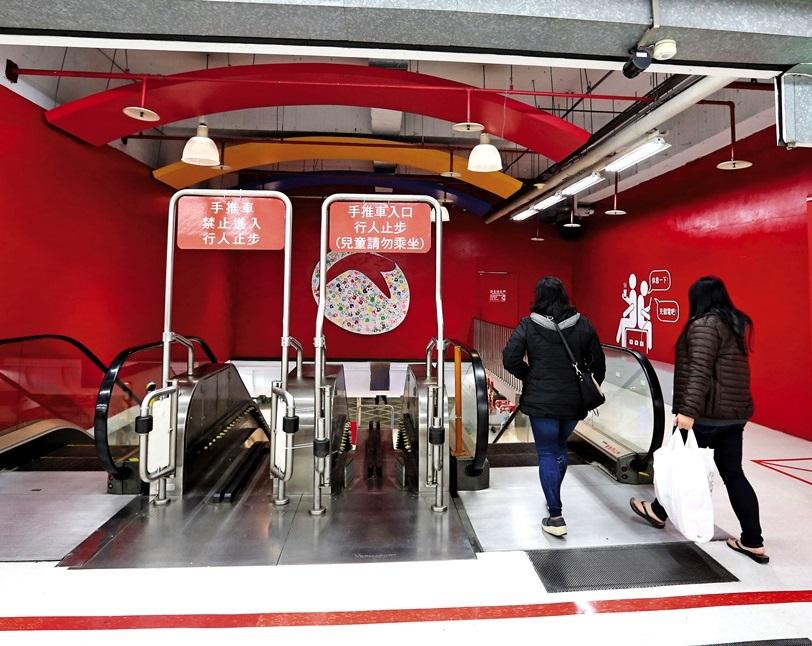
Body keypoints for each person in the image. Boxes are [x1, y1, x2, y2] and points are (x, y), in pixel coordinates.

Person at [630, 276, 768, 564]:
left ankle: (658, 511)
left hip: (705, 415)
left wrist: (688, 412)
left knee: (679, 465)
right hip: (733, 415)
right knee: (733, 474)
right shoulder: (734, 325)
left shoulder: (704, 325)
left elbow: (699, 371)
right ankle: (752, 540)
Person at [503, 276, 606, 538]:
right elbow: (599, 364)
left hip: (541, 402)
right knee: (559, 448)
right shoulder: (583, 324)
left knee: (548, 452)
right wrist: (584, 386)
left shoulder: (528, 325)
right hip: (573, 401)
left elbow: (510, 359)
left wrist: (530, 376)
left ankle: (556, 514)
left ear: (538, 297)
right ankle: (553, 497)